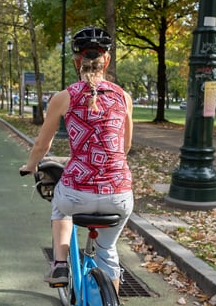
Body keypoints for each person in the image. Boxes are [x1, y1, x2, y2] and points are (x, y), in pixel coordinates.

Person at [20, 26, 134, 292]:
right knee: (107, 250)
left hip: (77, 193)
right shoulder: (124, 97)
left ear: (76, 61)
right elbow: (125, 145)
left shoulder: (63, 98)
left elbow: (42, 145)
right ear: (106, 60)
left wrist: (30, 166)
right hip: (118, 194)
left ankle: (60, 263)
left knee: (60, 207)